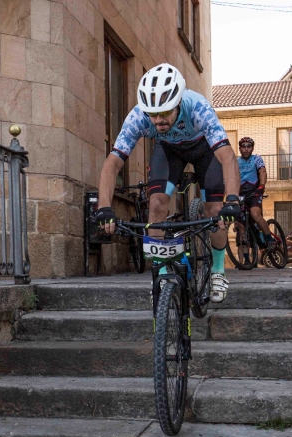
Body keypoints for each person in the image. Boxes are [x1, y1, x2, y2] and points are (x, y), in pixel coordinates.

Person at [95, 63, 241, 303]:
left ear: (179, 103)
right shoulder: (139, 116)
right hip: (169, 151)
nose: (158, 120)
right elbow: (112, 163)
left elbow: (227, 157)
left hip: (205, 150)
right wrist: (103, 207)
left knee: (215, 209)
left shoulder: (198, 108)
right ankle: (161, 274)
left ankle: (217, 271)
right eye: (153, 114)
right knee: (156, 206)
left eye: (165, 113)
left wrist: (233, 199)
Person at [236, 137, 277, 251]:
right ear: (239, 148)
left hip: (255, 191)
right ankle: (247, 259)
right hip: (241, 193)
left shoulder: (257, 159)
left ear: (252, 148)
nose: (246, 149)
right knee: (241, 224)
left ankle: (270, 239)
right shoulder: (236, 162)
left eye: (248, 146)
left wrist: (262, 186)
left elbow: (262, 171)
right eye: (243, 146)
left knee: (255, 214)